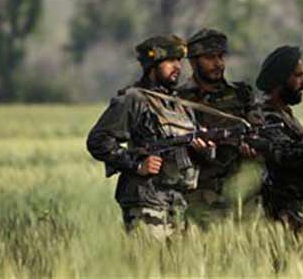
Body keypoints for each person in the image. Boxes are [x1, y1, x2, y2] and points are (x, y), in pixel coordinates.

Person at [86, 35, 213, 240]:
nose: (178, 66)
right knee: (147, 268)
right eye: (170, 61)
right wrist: (137, 165)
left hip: (178, 205)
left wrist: (204, 150)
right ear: (153, 65)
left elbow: (194, 150)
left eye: (179, 61)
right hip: (146, 203)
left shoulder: (178, 105)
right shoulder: (133, 99)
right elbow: (98, 141)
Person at [177, 28, 263, 226]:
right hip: (202, 197)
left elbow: (258, 127)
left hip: (245, 193)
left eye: (221, 56)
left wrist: (253, 146)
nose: (218, 63)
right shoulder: (180, 99)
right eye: (209, 58)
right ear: (193, 61)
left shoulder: (241, 94)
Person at [255, 45, 303, 230]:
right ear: (279, 80)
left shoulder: (284, 113)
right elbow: (285, 154)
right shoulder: (264, 116)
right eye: (298, 76)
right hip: (281, 213)